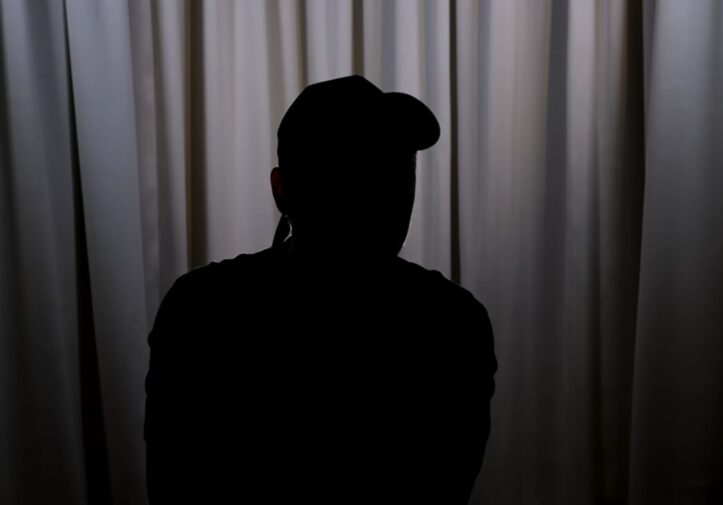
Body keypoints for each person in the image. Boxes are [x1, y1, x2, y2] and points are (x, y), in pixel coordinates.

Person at [143, 75, 498, 504]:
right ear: (282, 190)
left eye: (397, 171)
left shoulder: (453, 325)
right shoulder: (201, 313)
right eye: (348, 170)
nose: (384, 196)